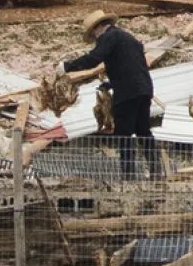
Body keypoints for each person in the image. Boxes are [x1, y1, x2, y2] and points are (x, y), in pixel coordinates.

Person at [57, 10, 162, 181]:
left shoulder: (108, 37)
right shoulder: (128, 38)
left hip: (127, 92)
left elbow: (94, 59)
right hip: (144, 89)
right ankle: (156, 171)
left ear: (98, 29)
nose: (95, 39)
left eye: (94, 35)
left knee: (124, 133)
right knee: (144, 130)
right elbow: (131, 66)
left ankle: (128, 176)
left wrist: (67, 66)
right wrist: (111, 84)